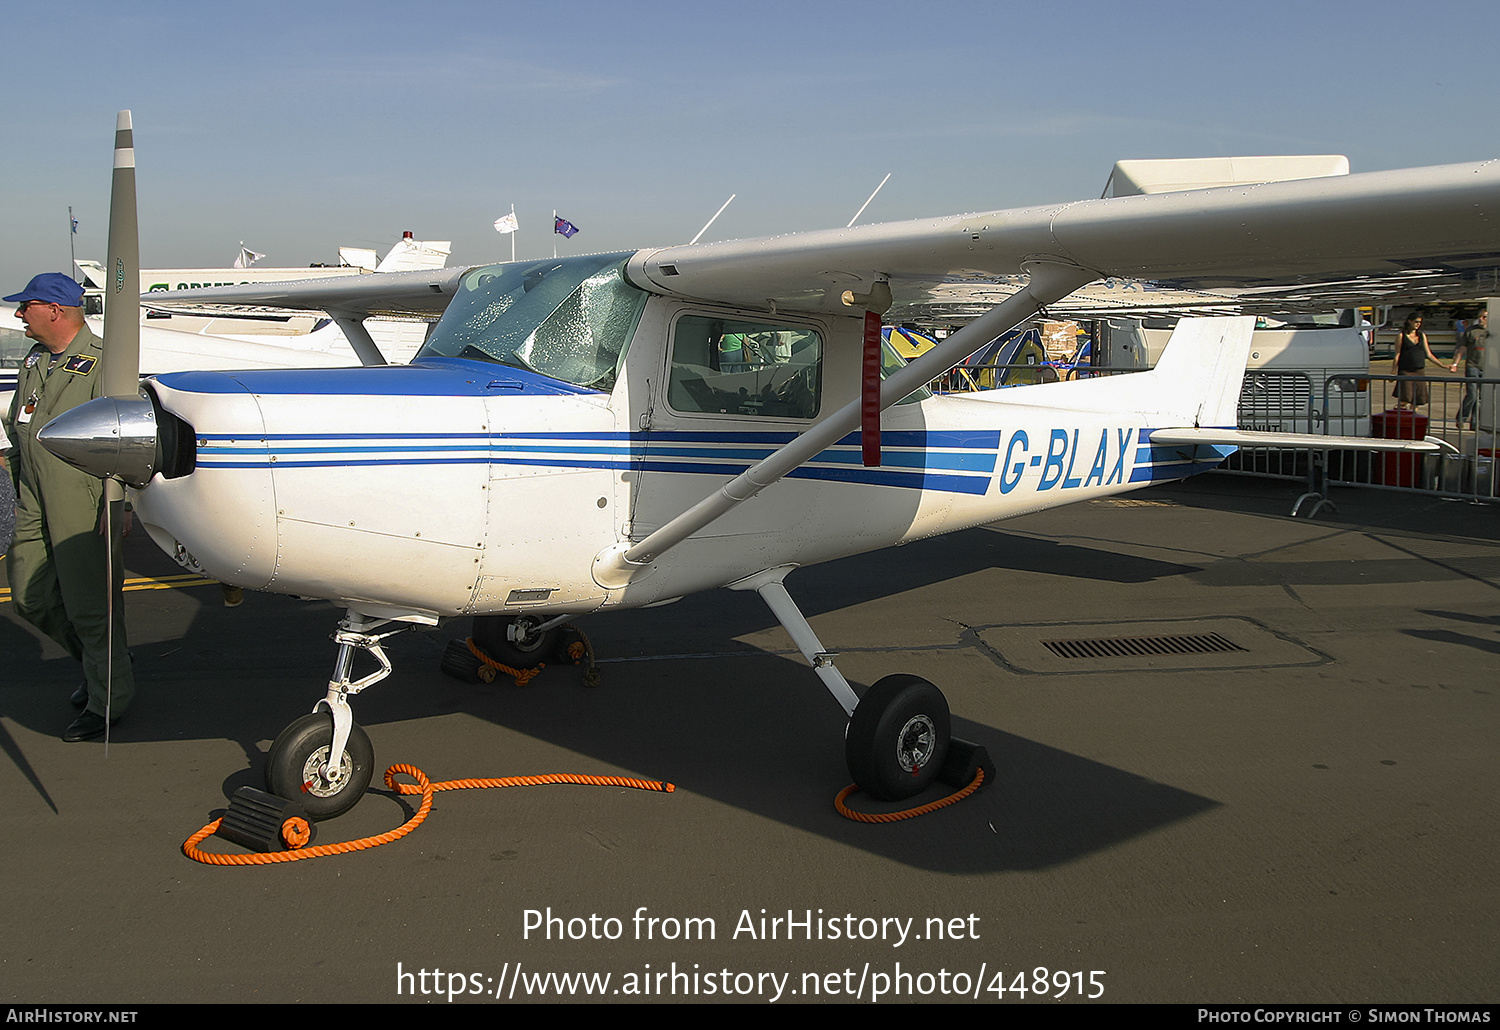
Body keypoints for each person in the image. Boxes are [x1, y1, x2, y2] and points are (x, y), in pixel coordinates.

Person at [3, 273, 134, 742]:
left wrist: (119, 503)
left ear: (54, 310)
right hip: (33, 491)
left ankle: (108, 701)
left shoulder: (103, 364)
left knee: (90, 606)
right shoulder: (37, 360)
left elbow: (127, 439)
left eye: (26, 306)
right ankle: (105, 665)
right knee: (29, 596)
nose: (19, 314)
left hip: (83, 495)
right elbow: (22, 419)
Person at [1392, 312, 1442, 410]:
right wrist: (1393, 371)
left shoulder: (1422, 335)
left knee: (1418, 399)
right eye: (1416, 322)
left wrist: (1442, 365)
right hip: (1406, 370)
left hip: (1419, 370)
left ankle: (1413, 418)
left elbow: (1429, 354)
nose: (1418, 324)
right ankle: (1399, 416)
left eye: (1420, 322)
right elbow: (1397, 354)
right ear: (1409, 321)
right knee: (1405, 397)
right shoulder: (1402, 336)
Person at [1450, 309, 1488, 429]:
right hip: (1473, 366)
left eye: (1485, 317)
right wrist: (1455, 364)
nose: (1481, 319)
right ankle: (1462, 417)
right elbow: (1462, 348)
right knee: (1472, 394)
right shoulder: (1471, 331)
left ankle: (1475, 423)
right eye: (1480, 317)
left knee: (1481, 397)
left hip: (1486, 367)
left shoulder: (1493, 332)